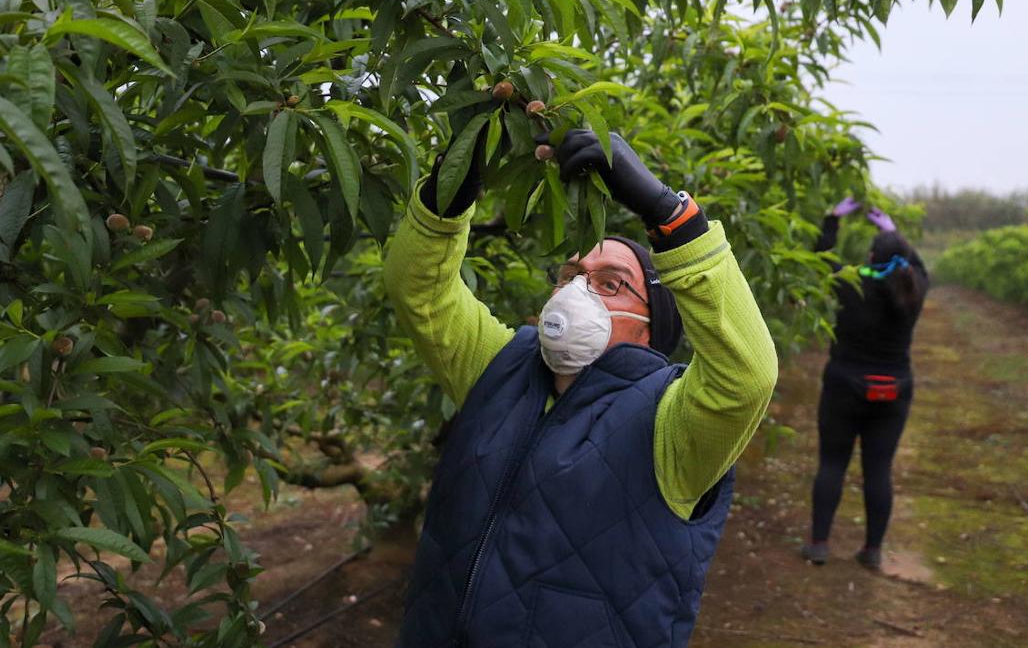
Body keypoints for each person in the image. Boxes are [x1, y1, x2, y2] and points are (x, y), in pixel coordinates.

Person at [383, 125, 778, 648]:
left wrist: (671, 215)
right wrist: (451, 187)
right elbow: (420, 289)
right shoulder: (500, 368)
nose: (577, 291)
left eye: (609, 282)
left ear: (652, 323)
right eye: (571, 274)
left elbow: (747, 377)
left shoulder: (670, 421)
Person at [800, 198, 930, 571]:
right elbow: (919, 266)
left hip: (845, 385)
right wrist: (893, 232)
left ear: (871, 256)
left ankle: (819, 545)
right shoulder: (913, 291)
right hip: (894, 389)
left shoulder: (850, 285)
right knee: (878, 470)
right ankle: (872, 551)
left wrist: (833, 218)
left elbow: (822, 259)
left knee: (832, 463)